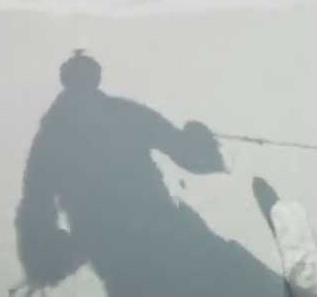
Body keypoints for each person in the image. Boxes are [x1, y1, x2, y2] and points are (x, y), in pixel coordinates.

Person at [14, 51, 278, 297]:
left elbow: (35, 208)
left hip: (114, 253)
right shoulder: (122, 112)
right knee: (224, 268)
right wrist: (200, 139)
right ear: (94, 79)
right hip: (162, 228)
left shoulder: (49, 137)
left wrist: (48, 260)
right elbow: (187, 153)